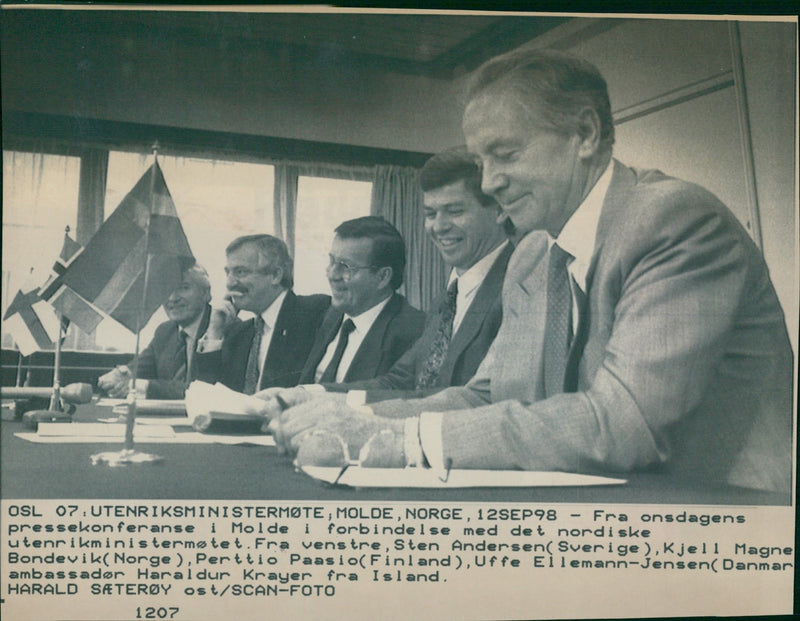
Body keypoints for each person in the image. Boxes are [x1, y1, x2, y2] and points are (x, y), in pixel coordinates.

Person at [274, 49, 793, 497]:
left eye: (505, 155)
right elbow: (485, 394)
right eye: (481, 161)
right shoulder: (533, 254)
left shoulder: (674, 219)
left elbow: (625, 424)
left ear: (585, 134)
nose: (490, 182)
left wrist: (406, 442)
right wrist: (358, 420)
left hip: (722, 516)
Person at [258, 147, 512, 414]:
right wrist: (308, 395)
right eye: (430, 214)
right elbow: (401, 381)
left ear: (499, 210)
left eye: (455, 211)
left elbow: (476, 400)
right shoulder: (449, 296)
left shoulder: (520, 285)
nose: (439, 226)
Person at [295, 216, 425, 386]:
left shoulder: (415, 332)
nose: (332, 275)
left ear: (382, 277)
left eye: (346, 267)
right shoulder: (328, 316)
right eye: (331, 261)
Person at [193, 235, 329, 393]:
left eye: (240, 272)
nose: (229, 283)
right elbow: (208, 395)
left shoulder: (314, 313)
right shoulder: (240, 333)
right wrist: (214, 333)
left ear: (276, 275)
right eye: (228, 273)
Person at [98, 265, 212, 399]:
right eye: (166, 290)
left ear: (206, 293)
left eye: (183, 288)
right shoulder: (165, 331)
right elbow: (138, 368)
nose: (172, 298)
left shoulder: (224, 331)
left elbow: (203, 392)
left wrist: (143, 387)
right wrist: (119, 375)